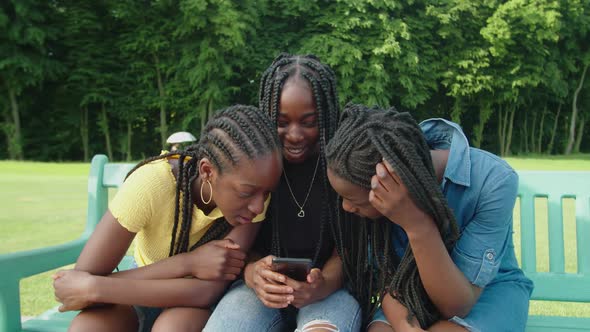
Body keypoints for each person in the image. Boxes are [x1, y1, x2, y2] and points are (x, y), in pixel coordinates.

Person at [52, 105, 283, 332]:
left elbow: (207, 292)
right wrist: (188, 263)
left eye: (267, 193)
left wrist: (95, 288)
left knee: (172, 327)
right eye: (246, 193)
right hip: (137, 289)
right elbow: (77, 287)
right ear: (207, 171)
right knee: (88, 327)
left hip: (192, 303)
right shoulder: (152, 184)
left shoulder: (255, 195)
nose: (258, 205)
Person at [325, 104, 533, 332]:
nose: (346, 207)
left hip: (486, 294)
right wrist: (407, 327)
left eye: (355, 201)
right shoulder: (362, 174)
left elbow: (457, 304)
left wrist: (416, 224)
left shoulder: (492, 181)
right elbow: (384, 279)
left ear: (394, 184)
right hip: (403, 291)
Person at [204, 54, 361, 332]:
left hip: (328, 292)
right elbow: (241, 243)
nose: (295, 134)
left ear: (326, 115)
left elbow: (347, 249)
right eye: (282, 121)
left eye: (309, 121)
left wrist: (322, 285)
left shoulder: (342, 166)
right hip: (257, 292)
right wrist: (253, 273)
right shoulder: (252, 168)